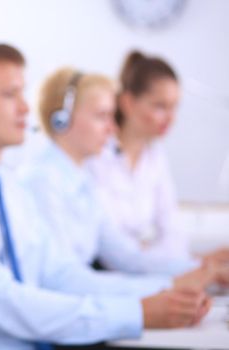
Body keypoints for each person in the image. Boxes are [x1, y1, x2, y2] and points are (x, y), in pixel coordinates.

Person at [0, 40, 211, 349]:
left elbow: (60, 273)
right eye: (9, 94)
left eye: (23, 93)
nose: (26, 108)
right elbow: (0, 302)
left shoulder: (9, 185)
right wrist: (135, 311)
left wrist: (161, 291)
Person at [18, 67, 229, 287]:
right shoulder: (41, 181)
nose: (112, 128)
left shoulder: (81, 181)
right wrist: (165, 288)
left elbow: (128, 257)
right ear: (61, 120)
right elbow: (63, 280)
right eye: (102, 116)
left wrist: (206, 271)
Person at [87, 51, 229, 275]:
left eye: (175, 107)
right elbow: (113, 250)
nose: (171, 118)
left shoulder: (155, 156)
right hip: (106, 274)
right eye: (160, 106)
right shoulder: (95, 156)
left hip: (143, 271)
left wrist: (195, 263)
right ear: (127, 103)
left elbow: (173, 234)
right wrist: (196, 265)